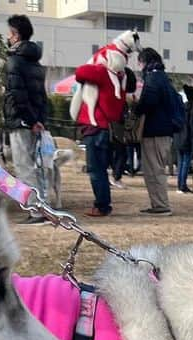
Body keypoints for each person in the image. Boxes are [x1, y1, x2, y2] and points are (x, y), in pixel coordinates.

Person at [74, 39, 129, 217]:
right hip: (107, 131)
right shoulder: (121, 81)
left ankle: (102, 205)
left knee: (95, 170)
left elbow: (80, 72)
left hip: (95, 129)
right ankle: (104, 204)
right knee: (102, 170)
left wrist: (101, 61)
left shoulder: (103, 74)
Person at [4, 14, 46, 219]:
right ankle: (41, 206)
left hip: (21, 120)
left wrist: (28, 119)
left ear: (15, 34)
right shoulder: (36, 62)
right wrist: (38, 120)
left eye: (10, 32)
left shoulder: (14, 61)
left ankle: (36, 210)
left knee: (24, 167)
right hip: (33, 120)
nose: (7, 36)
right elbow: (41, 95)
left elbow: (17, 94)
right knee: (33, 166)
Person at [134, 47, 179, 214]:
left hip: (155, 131)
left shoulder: (153, 79)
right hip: (164, 131)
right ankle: (158, 204)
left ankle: (161, 205)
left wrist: (136, 107)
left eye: (139, 62)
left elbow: (148, 103)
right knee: (156, 169)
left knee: (154, 170)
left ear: (144, 62)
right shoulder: (164, 78)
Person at [174, 82, 193, 194]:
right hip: (187, 140)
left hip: (178, 139)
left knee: (180, 163)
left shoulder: (181, 107)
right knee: (185, 163)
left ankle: (179, 185)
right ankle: (182, 186)